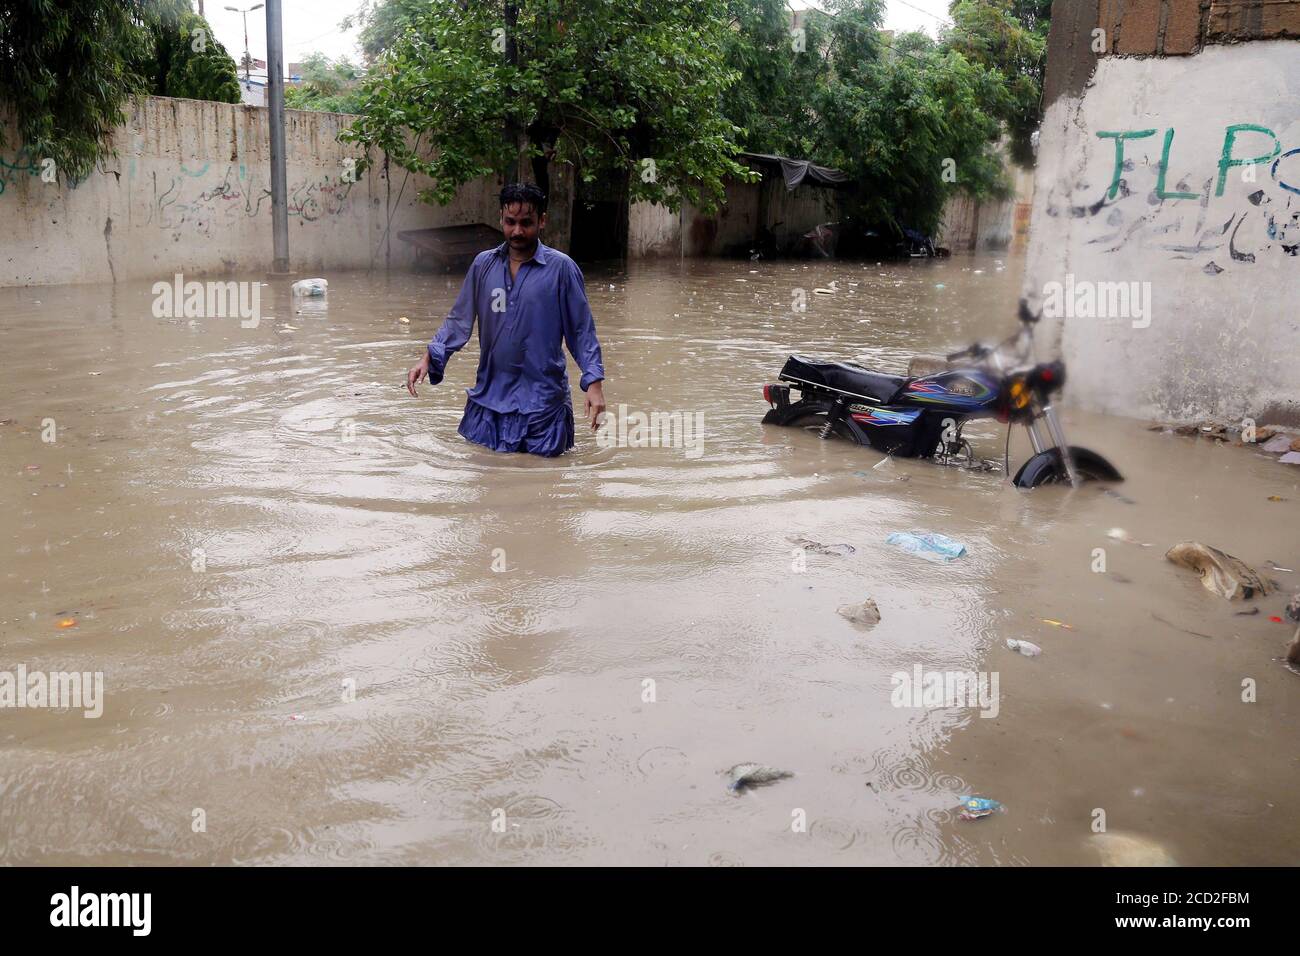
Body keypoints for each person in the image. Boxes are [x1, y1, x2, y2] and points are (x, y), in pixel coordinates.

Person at [406, 182, 606, 457]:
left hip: (542, 406)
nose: (517, 231)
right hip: (489, 401)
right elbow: (458, 320)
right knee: (487, 484)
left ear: (542, 221)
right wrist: (429, 358)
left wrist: (593, 383)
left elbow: (581, 331)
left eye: (527, 223)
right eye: (510, 222)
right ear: (501, 217)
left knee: (543, 486)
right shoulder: (483, 265)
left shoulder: (561, 269)